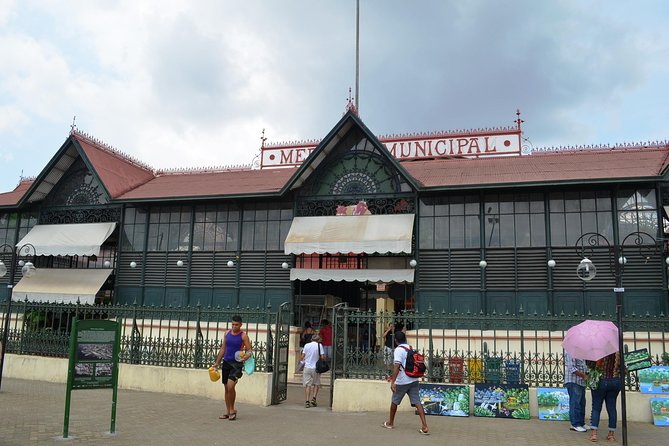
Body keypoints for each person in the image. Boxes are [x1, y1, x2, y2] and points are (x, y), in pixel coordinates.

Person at [382, 331, 429, 435]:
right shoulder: (410, 347)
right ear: (405, 339)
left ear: (396, 341)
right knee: (417, 402)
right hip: (414, 379)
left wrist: (393, 382)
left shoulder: (398, 350)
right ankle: (424, 426)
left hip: (402, 381)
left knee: (394, 401)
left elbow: (397, 366)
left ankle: (390, 423)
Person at [212, 315, 252, 421]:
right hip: (226, 363)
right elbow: (223, 349)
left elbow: (249, 351)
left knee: (230, 386)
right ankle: (228, 411)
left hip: (237, 365)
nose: (234, 326)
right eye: (233, 324)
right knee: (226, 388)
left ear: (241, 325)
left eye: (236, 325)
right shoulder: (227, 333)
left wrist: (246, 356)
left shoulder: (243, 336)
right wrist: (216, 363)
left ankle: (232, 410)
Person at [588, 352, 622, 442]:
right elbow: (624, 368)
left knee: (596, 408)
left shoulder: (598, 352)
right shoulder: (618, 352)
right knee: (612, 408)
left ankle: (594, 434)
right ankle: (611, 435)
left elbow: (590, 365)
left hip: (601, 380)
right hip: (615, 381)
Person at [564, 351, 589, 432]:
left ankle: (581, 422)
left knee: (582, 403)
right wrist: (584, 375)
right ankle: (575, 424)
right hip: (573, 381)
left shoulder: (582, 352)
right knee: (575, 403)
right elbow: (572, 368)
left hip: (581, 382)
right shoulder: (570, 351)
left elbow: (584, 366)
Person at [301, 333, 325, 408]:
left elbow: (302, 357)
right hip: (315, 368)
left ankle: (307, 401)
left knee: (308, 385)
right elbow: (322, 357)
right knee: (316, 384)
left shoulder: (306, 345)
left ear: (311, 339)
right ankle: (314, 399)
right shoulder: (319, 346)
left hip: (307, 367)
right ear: (318, 340)